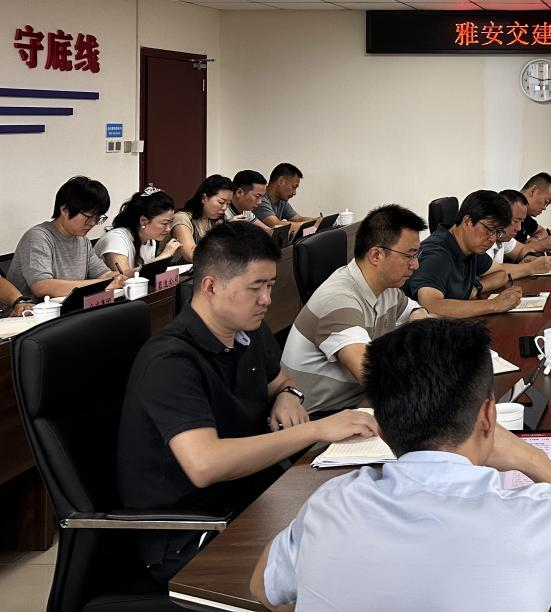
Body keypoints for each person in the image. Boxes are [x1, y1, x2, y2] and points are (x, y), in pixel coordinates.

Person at [250, 318, 551, 611]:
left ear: (381, 428)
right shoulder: (544, 517)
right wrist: (532, 459)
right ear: (488, 417)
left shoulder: (329, 504)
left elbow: (263, 589)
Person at [118, 223, 377, 581]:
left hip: (254, 497)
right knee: (338, 573)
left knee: (362, 530)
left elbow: (280, 381)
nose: (267, 299)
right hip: (193, 532)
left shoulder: (248, 331)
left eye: (270, 285)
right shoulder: (171, 362)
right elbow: (205, 464)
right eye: (256, 287)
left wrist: (288, 396)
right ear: (211, 286)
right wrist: (316, 429)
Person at [280, 205, 429, 414]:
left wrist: (419, 319)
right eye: (409, 256)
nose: (416, 265)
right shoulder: (338, 300)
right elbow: (377, 380)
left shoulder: (387, 287)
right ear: (376, 255)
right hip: (320, 418)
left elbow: (415, 309)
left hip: (359, 401)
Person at [407, 190, 525, 318]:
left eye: (497, 232)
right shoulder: (436, 255)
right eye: (490, 230)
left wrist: (477, 287)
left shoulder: (471, 247)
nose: (492, 239)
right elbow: (431, 306)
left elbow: (501, 273)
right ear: (467, 221)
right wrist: (494, 304)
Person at [6, 175, 125, 299]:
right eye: (89, 217)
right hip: (32, 309)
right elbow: (42, 287)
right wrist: (101, 284)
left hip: (69, 307)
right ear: (64, 210)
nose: (93, 223)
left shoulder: (83, 241)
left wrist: (117, 277)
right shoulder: (38, 237)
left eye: (98, 218)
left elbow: (104, 275)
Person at [96, 189, 179, 278]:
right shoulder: (116, 238)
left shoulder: (150, 241)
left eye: (170, 222)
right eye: (164, 223)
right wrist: (164, 255)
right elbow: (123, 276)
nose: (168, 229)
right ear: (143, 221)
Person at [489, 189, 551, 281]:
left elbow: (522, 250)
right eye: (515, 221)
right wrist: (532, 267)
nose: (519, 228)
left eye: (521, 221)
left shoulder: (502, 236)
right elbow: (491, 272)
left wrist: (529, 258)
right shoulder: (485, 240)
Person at [170, 174, 236, 262]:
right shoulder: (182, 218)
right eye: (221, 202)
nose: (224, 208)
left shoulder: (216, 221)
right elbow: (191, 254)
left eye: (228, 204)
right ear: (204, 198)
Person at [254, 163, 317, 231]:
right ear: (281, 181)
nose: (294, 193)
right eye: (293, 187)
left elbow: (298, 219)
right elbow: (276, 224)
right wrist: (309, 225)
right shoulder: (260, 199)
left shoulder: (281, 200)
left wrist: (315, 221)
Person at [514, 172, 551, 254]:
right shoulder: (506, 211)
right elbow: (506, 251)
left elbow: (541, 231)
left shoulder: (526, 215)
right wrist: (536, 245)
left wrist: (535, 240)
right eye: (546, 202)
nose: (545, 208)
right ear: (533, 191)